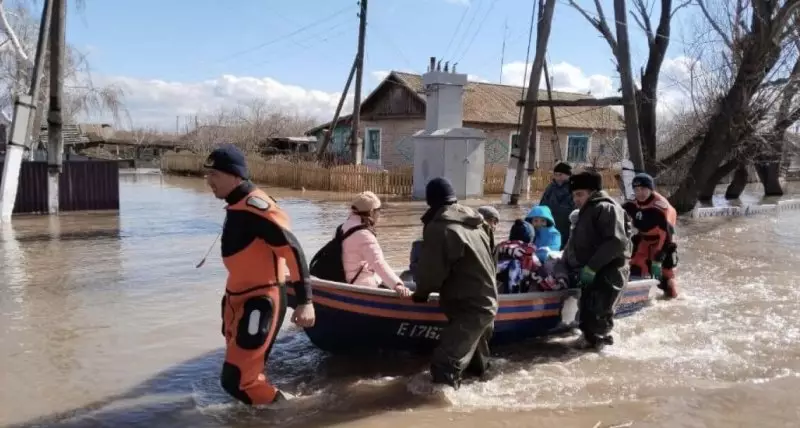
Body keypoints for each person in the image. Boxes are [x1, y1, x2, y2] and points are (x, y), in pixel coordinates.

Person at [204, 143, 316, 405]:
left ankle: (290, 412)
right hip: (238, 299)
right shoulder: (237, 204)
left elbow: (293, 250)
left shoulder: (257, 207)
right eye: (207, 174)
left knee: (238, 381)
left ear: (235, 175)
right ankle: (259, 416)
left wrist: (305, 301)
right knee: (241, 375)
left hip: (261, 300)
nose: (209, 181)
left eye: (214, 174)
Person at [411, 177, 498, 389]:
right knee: (477, 367)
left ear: (430, 201)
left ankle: (439, 406)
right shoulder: (477, 221)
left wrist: (421, 293)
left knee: (445, 362)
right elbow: (492, 259)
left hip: (469, 307)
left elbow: (431, 272)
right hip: (487, 302)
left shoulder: (440, 228)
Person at [553, 170, 632, 351]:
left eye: (580, 194)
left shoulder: (606, 208)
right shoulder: (588, 210)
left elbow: (616, 241)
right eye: (574, 195)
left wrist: (592, 267)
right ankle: (589, 349)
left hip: (608, 272)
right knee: (588, 318)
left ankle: (602, 354)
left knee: (598, 318)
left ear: (593, 192)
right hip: (593, 272)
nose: (576, 199)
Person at [341, 191, 412, 296]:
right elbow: (378, 263)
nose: (379, 214)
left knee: (407, 275)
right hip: (365, 284)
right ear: (371, 212)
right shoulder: (364, 235)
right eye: (378, 210)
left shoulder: (343, 227)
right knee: (415, 285)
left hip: (349, 279)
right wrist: (397, 285)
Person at [622, 173, 679, 299]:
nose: (640, 193)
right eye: (636, 189)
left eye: (643, 189)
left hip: (664, 243)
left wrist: (659, 258)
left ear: (651, 189)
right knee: (636, 266)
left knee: (667, 279)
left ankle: (673, 300)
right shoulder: (631, 204)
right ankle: (635, 297)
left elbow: (669, 236)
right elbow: (616, 215)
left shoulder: (661, 208)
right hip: (644, 240)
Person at [495, 220, 540, 294]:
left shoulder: (502, 245)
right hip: (518, 279)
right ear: (530, 236)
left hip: (498, 275)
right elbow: (537, 266)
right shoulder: (528, 249)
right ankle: (513, 293)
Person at [539, 162, 575, 247]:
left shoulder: (574, 189)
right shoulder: (550, 188)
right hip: (550, 227)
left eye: (560, 175)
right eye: (556, 175)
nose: (558, 177)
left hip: (567, 228)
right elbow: (542, 207)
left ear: (568, 175)